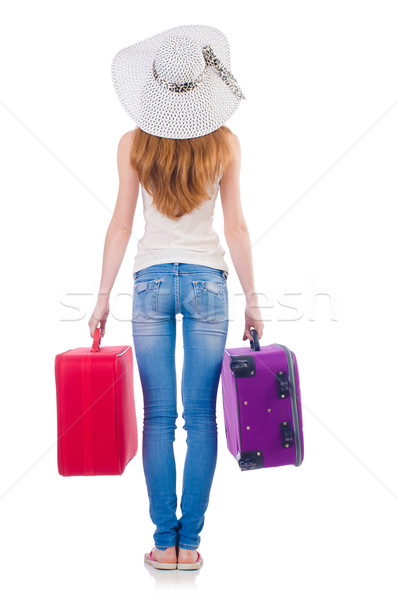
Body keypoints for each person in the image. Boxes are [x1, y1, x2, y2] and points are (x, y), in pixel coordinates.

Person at [88, 25, 264, 571]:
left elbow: (121, 225)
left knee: (159, 417)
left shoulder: (132, 142)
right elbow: (234, 228)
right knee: (203, 418)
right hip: (210, 282)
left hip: (150, 282)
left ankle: (165, 544)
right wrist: (253, 300)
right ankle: (191, 548)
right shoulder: (226, 142)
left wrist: (100, 298)